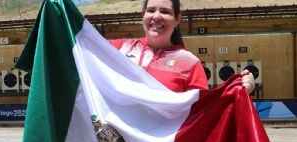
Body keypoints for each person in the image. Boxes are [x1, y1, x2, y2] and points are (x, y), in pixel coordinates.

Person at [109, 0, 255, 93]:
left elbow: (203, 112)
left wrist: (237, 92)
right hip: (116, 141)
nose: (156, 16)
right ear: (143, 15)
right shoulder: (119, 48)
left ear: (177, 20)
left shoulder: (189, 63)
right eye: (151, 10)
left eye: (165, 12)